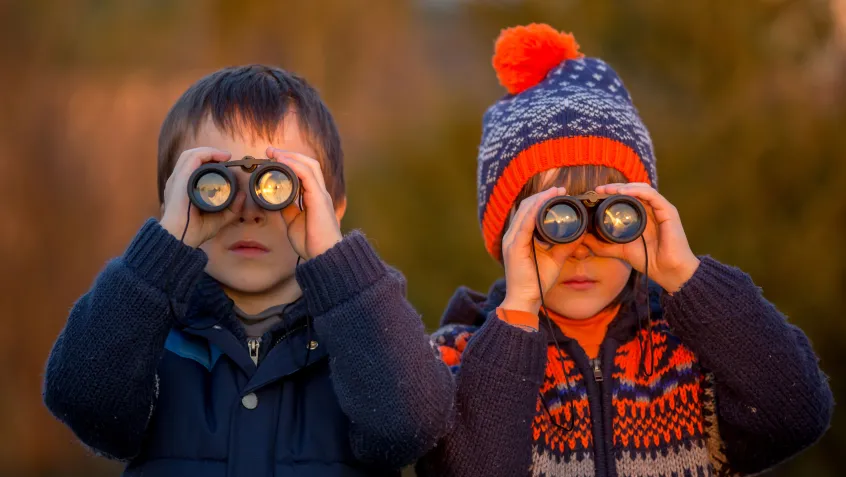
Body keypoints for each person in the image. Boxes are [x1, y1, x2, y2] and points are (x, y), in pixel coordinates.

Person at [418, 24, 833, 477]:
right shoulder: (457, 356)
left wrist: (684, 275)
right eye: (554, 221)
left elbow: (796, 414)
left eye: (610, 218)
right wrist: (517, 315)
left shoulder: (691, 355)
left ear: (643, 217)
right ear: (509, 233)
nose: (579, 249)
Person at [43, 64, 454, 477]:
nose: (248, 211)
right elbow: (82, 399)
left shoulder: (359, 338)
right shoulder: (151, 339)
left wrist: (335, 258)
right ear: (173, 200)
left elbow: (411, 424)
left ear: (333, 206)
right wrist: (163, 250)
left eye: (279, 185)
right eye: (215, 187)